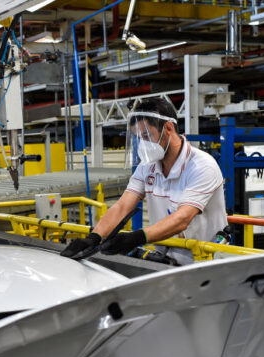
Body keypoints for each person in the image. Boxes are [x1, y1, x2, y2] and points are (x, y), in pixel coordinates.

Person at [61, 97, 227, 265]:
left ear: (168, 128)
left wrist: (137, 237)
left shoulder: (202, 166)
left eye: (147, 136)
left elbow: (182, 218)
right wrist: (94, 237)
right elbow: (122, 206)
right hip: (166, 259)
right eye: (139, 137)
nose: (143, 144)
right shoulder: (147, 166)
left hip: (205, 260)